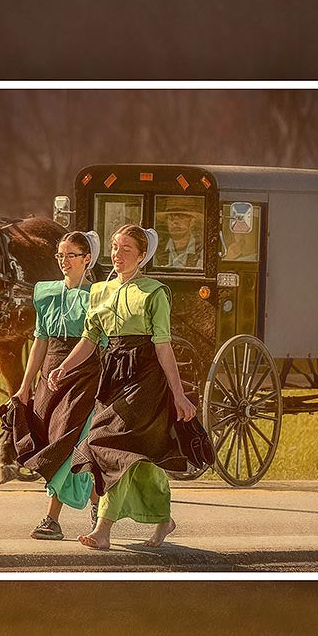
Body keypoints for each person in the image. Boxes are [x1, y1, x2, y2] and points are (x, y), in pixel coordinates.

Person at [49, 224, 197, 550]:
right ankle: (163, 520)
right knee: (136, 456)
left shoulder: (154, 293)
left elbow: (163, 346)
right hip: (114, 374)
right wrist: (63, 366)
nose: (118, 254)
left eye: (127, 248)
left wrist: (178, 393)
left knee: (106, 442)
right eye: (115, 247)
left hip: (146, 377)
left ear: (142, 256)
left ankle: (103, 529)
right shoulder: (100, 291)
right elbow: (89, 339)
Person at [11, 231, 102, 540]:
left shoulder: (97, 297)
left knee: (69, 441)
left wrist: (67, 367)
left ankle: (52, 518)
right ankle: (95, 503)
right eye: (60, 256)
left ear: (87, 259)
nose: (64, 261)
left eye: (70, 255)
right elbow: (40, 341)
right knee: (54, 440)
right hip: (51, 374)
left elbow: (93, 342)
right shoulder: (47, 293)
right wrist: (26, 385)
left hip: (83, 373)